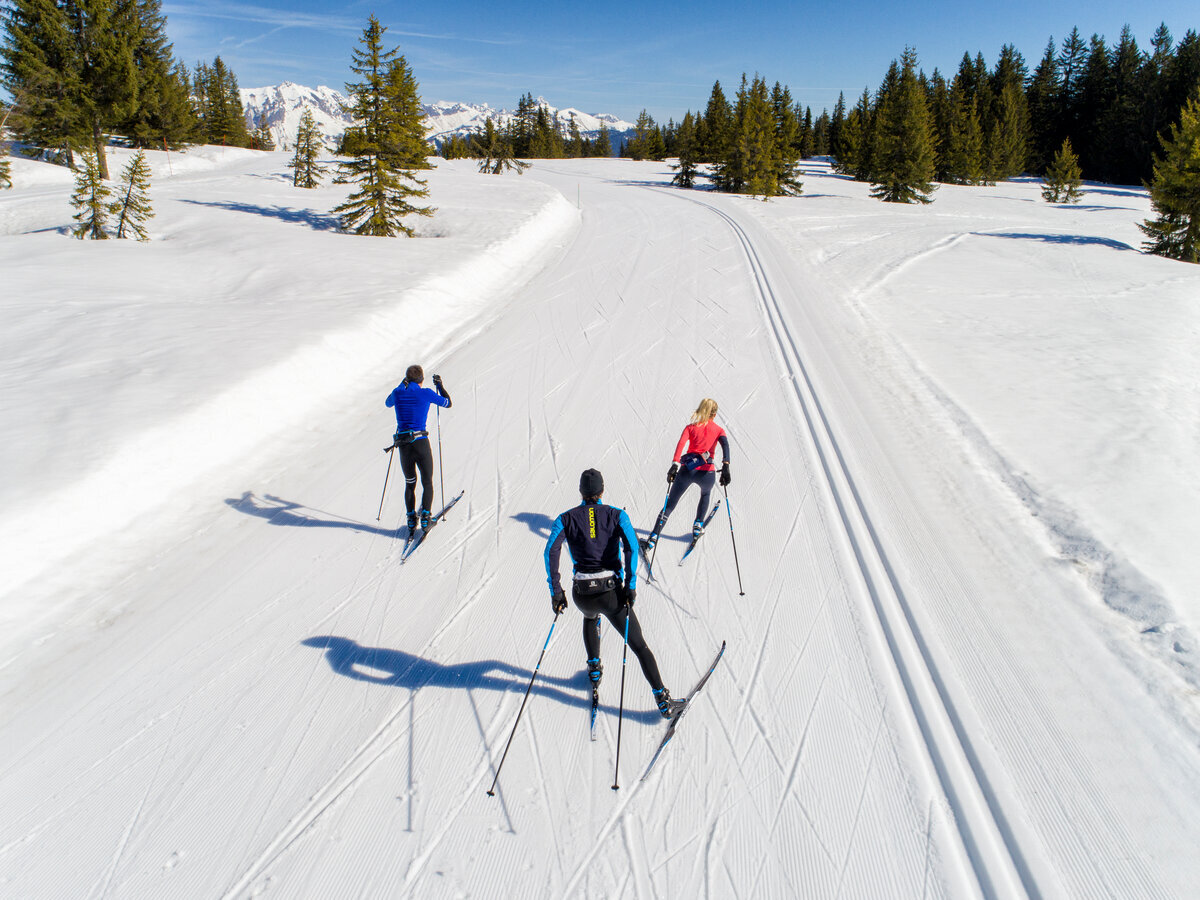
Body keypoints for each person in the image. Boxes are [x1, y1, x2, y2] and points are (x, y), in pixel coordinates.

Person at [544, 468, 685, 719]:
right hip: (611, 594)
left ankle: (594, 670)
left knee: (589, 617)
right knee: (639, 645)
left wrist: (556, 591)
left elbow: (550, 552)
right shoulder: (617, 515)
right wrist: (630, 586)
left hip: (581, 594)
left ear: (581, 492)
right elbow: (631, 547)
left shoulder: (565, 518)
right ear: (602, 491)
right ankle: (663, 701)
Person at [641, 398, 730, 553]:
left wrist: (675, 464)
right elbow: (725, 445)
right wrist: (726, 466)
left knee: (669, 506)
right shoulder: (719, 430)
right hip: (707, 473)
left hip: (687, 471)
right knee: (706, 493)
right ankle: (697, 526)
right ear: (714, 415)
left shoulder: (690, 428)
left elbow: (681, 445)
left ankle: (652, 539)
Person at [385, 364, 451, 531]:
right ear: (421, 379)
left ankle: (411, 519)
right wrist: (440, 386)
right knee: (427, 481)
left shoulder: (397, 393)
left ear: (407, 379)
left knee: (410, 483)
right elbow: (447, 403)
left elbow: (388, 403)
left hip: (403, 445)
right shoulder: (425, 393)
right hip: (420, 442)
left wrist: (402, 385)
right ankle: (426, 519)